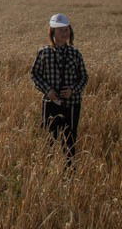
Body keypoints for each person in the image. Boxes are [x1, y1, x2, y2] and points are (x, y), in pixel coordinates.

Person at [30, 13, 89, 165]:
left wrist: (73, 90)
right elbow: (34, 74)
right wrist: (47, 90)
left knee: (69, 141)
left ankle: (69, 173)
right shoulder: (44, 52)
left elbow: (84, 77)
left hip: (72, 104)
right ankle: (46, 170)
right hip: (50, 104)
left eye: (67, 29)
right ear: (52, 32)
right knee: (48, 140)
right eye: (61, 30)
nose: (65, 33)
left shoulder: (75, 54)